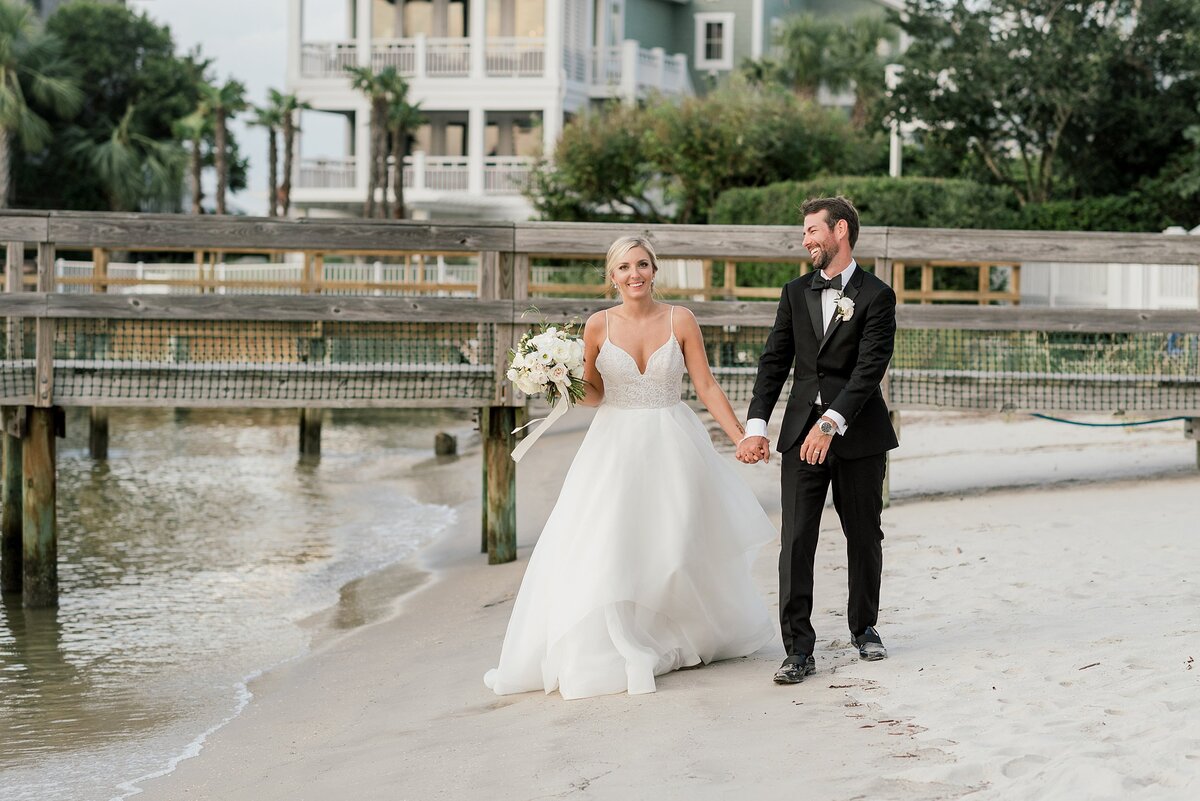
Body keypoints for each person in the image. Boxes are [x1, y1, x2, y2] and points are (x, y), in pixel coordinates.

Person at [484, 235, 775, 700]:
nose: (634, 274)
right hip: (614, 444)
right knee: (613, 541)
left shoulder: (681, 319)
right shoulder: (597, 326)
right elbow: (595, 394)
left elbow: (705, 385)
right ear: (612, 277)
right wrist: (562, 379)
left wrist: (742, 436)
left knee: (675, 543)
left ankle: (677, 630)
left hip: (673, 440)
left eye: (642, 264)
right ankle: (622, 638)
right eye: (624, 267)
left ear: (654, 271)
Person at [736, 196, 898, 685]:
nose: (805, 240)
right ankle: (798, 650)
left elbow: (870, 369)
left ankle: (864, 627)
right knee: (797, 539)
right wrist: (757, 425)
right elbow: (774, 361)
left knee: (864, 535)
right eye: (804, 232)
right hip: (799, 435)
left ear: (840, 231)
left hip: (858, 435)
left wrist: (831, 424)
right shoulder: (794, 292)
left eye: (812, 231)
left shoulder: (878, 296)